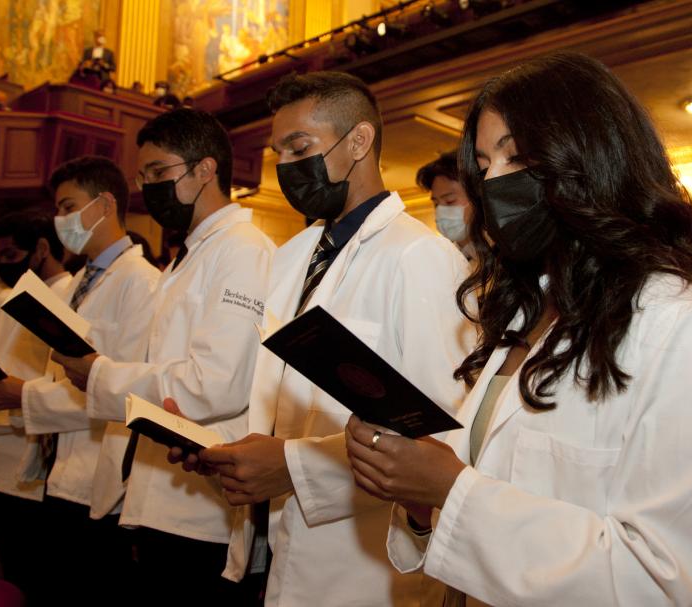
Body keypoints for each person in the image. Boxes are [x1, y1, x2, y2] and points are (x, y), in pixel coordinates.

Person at [344, 51, 692, 606]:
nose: (493, 183)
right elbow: (484, 483)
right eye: (485, 165)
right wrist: (419, 501)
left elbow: (660, 577)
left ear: (592, 156)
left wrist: (450, 489)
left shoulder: (675, 317)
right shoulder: (525, 307)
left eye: (517, 157)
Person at [173, 71, 474, 606]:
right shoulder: (294, 256)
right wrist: (224, 450)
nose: (287, 165)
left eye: (300, 147)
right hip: (266, 544)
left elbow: (437, 435)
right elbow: (276, 398)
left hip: (357, 569)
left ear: (358, 141)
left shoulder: (419, 256)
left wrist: (289, 465)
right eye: (278, 152)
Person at [52, 109, 275, 604]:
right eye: (143, 176)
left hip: (201, 512)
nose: (148, 187)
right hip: (164, 494)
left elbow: (217, 382)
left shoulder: (242, 250)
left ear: (204, 170)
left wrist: (102, 375)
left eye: (160, 173)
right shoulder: (189, 254)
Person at [0, 157, 161, 602]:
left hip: (96, 472)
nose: (61, 221)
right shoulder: (79, 280)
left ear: (104, 204)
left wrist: (24, 394)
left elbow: (120, 382)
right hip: (58, 467)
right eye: (57, 210)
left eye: (68, 206)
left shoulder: (141, 282)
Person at [0, 212, 73, 603]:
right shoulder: (7, 298)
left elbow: (71, 382)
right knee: (6, 566)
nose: (1, 266)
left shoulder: (66, 293)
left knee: (35, 572)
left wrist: (19, 393)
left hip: (35, 457)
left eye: (12, 254)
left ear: (41, 249)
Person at [416, 151, 475, 259]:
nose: (440, 211)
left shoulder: (505, 257)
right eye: (436, 204)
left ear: (476, 197)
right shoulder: (444, 259)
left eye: (449, 201)